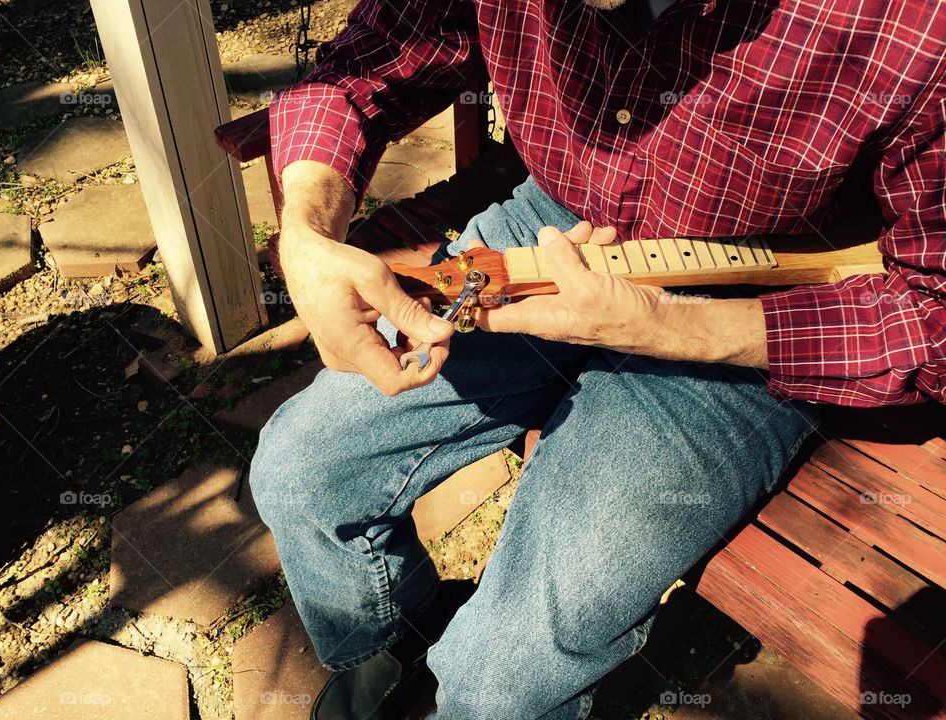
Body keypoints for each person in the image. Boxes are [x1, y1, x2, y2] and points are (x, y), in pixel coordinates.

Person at [249, 0, 946, 717]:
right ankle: (398, 660)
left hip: (750, 297)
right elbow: (366, 65)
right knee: (303, 472)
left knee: (501, 677)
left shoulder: (909, 21)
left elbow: (934, 309)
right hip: (547, 224)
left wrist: (670, 328)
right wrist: (303, 234)